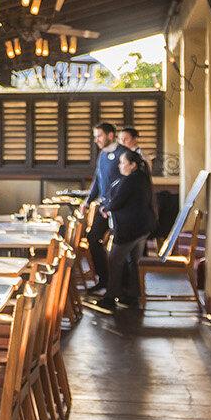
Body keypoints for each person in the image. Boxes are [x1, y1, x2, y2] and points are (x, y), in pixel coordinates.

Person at [99, 149, 156, 308]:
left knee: (114, 260)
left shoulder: (130, 180)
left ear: (132, 165)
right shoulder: (142, 178)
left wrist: (105, 208)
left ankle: (111, 297)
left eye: (123, 163)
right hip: (142, 228)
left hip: (130, 229)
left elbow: (117, 202)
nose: (119, 166)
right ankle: (132, 295)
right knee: (134, 262)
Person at [82, 122, 127, 293]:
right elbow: (97, 180)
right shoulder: (102, 155)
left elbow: (125, 183)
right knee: (93, 238)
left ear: (110, 135)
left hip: (118, 208)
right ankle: (103, 279)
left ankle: (121, 287)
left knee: (119, 248)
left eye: (99, 136)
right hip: (103, 207)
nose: (96, 140)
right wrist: (88, 201)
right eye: (95, 136)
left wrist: (113, 205)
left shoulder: (123, 154)